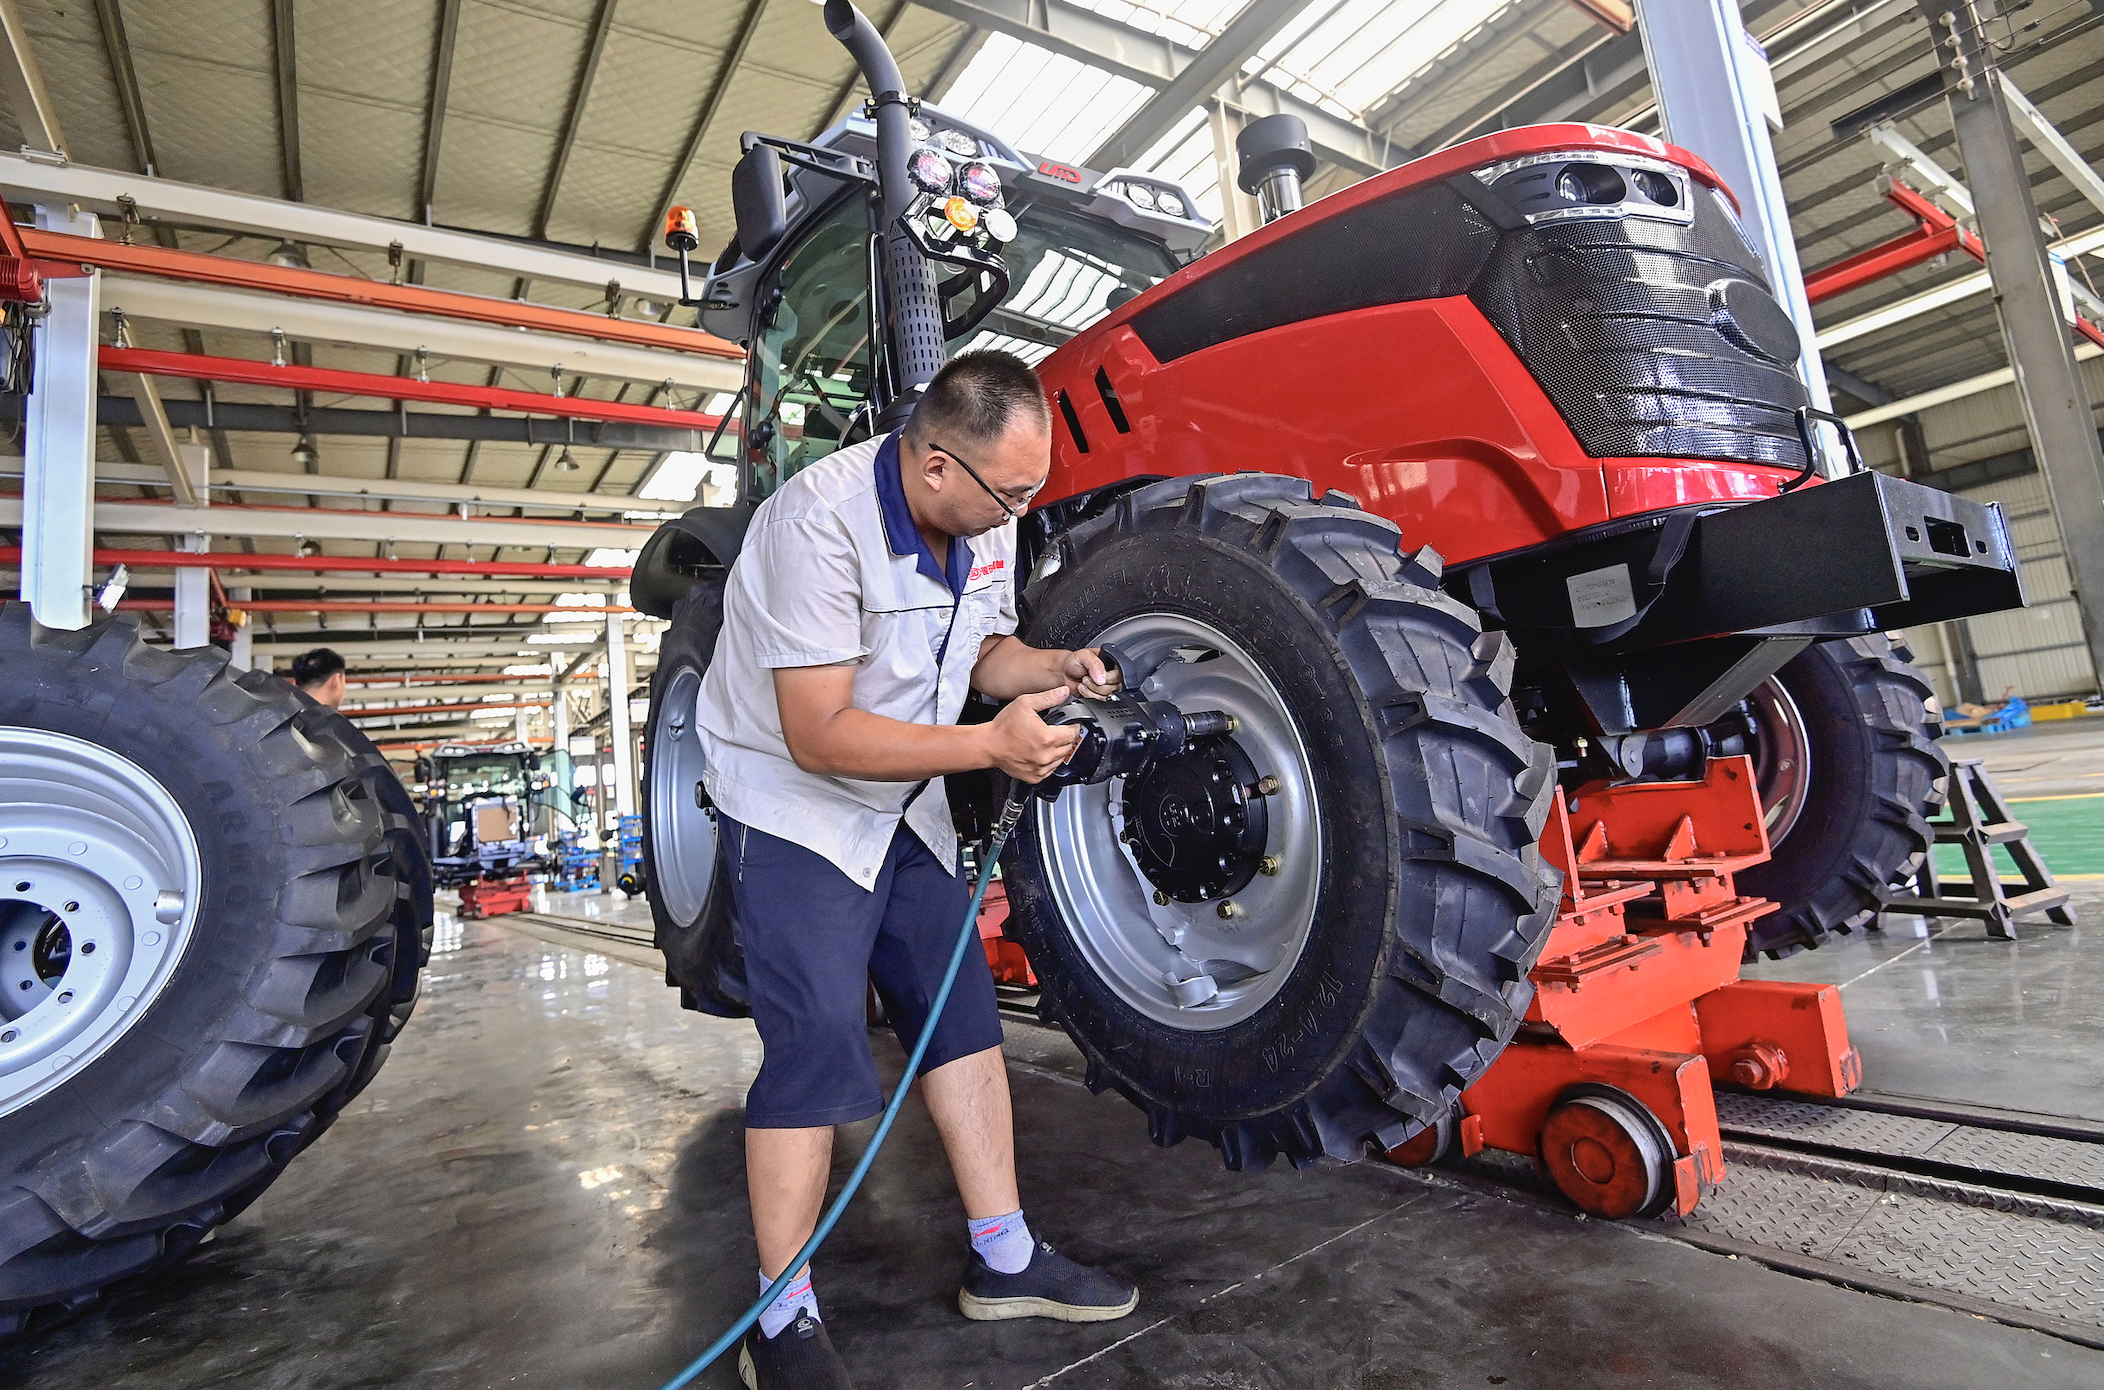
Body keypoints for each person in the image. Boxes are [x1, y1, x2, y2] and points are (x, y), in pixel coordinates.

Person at [695, 351, 1136, 1389]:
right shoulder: (816, 526)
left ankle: (1006, 1255)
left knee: (960, 1022)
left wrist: (1051, 666)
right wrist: (990, 749)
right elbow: (819, 734)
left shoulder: (982, 511)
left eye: (1033, 489)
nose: (1023, 510)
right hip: (798, 804)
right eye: (1010, 493)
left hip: (909, 793)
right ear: (937, 467)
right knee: (816, 1051)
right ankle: (779, 1314)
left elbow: (979, 651)